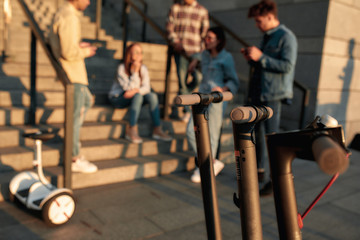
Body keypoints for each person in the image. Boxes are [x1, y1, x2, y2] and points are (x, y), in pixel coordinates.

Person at [240, 0, 298, 195]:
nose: (257, 25)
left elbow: (287, 67)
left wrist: (261, 57)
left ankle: (275, 181)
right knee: (257, 134)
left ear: (270, 16)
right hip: (258, 91)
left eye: (259, 21)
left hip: (273, 94)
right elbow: (263, 65)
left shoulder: (286, 37)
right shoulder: (267, 37)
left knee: (271, 138)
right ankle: (259, 171)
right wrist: (252, 59)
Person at [48, 0, 98, 173]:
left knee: (85, 103)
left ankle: (72, 148)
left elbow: (65, 45)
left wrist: (79, 46)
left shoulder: (65, 14)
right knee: (76, 116)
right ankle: (73, 157)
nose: (89, 2)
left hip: (75, 75)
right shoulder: (69, 16)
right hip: (73, 75)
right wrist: (85, 51)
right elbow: (68, 52)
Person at [186, 27, 240, 183]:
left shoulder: (226, 57)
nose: (206, 40)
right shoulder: (204, 55)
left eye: (210, 38)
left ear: (219, 41)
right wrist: (195, 60)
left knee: (212, 136)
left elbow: (234, 81)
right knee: (191, 130)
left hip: (216, 99)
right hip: (200, 97)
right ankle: (211, 163)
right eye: (205, 38)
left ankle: (204, 166)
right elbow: (198, 54)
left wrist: (222, 89)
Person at [108, 43, 172, 143]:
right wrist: (134, 73)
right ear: (130, 54)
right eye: (136, 52)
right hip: (118, 98)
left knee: (152, 96)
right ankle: (132, 129)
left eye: (141, 53)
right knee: (137, 96)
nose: (139, 55)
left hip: (133, 96)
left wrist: (135, 90)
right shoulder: (121, 68)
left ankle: (157, 129)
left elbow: (146, 88)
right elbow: (127, 88)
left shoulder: (143, 68)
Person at [166, 0, 209, 123]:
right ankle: (186, 111)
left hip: (196, 53)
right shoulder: (175, 8)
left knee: (198, 78)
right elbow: (169, 27)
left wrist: (199, 56)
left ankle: (178, 100)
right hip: (180, 51)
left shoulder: (202, 11)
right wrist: (175, 42)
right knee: (182, 82)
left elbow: (205, 36)